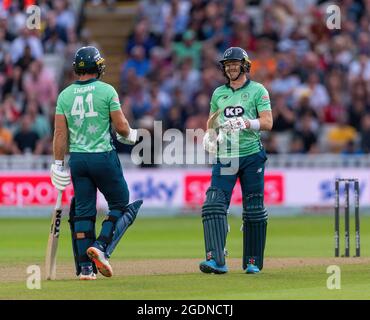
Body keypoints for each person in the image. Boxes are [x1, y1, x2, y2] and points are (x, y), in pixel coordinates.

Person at [50, 46, 142, 280]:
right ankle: (101, 246)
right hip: (102, 156)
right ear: (98, 67)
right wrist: (130, 134)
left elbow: (60, 135)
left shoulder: (65, 95)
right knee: (120, 203)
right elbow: (121, 127)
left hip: (78, 160)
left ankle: (86, 269)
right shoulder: (106, 90)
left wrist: (58, 165)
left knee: (83, 212)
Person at [201, 47, 273, 274]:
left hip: (251, 155)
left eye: (235, 63)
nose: (231, 67)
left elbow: (268, 122)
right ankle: (216, 260)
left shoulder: (258, 90)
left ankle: (253, 262)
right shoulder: (218, 94)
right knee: (213, 204)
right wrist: (210, 137)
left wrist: (246, 123)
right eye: (227, 64)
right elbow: (212, 122)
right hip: (226, 156)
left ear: (245, 65)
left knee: (253, 209)